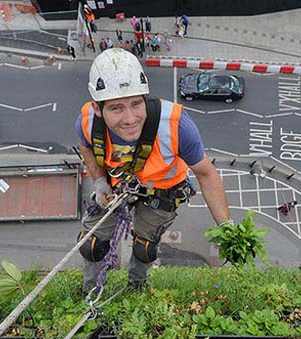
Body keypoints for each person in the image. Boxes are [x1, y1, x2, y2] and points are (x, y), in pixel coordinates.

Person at [75, 49, 231, 291]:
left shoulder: (175, 125)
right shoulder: (88, 121)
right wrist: (99, 182)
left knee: (144, 248)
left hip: (161, 192)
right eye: (116, 108)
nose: (130, 119)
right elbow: (86, 148)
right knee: (92, 245)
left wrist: (226, 226)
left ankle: (136, 287)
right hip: (114, 188)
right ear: (98, 109)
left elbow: (206, 173)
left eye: (136, 104)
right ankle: (90, 291)